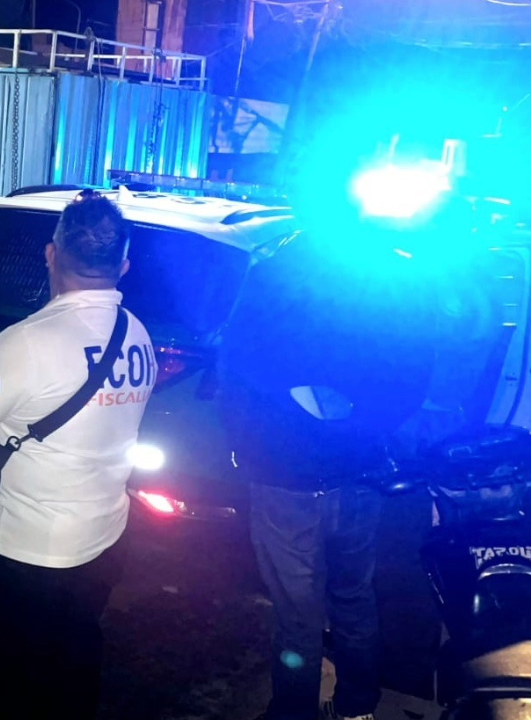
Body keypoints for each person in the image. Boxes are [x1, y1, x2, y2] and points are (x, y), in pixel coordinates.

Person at [217, 230, 440, 720]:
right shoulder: (393, 276)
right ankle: (358, 707)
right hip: (359, 473)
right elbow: (416, 373)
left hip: (285, 480)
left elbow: (234, 370)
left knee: (297, 616)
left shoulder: (274, 275)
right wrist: (366, 423)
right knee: (354, 597)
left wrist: (249, 447)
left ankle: (292, 712)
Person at [0, 189, 154, 720]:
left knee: (6, 680)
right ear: (122, 265)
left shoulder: (24, 343)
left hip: (25, 550)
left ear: (51, 254)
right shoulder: (137, 335)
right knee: (75, 662)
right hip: (105, 536)